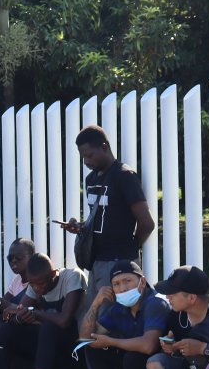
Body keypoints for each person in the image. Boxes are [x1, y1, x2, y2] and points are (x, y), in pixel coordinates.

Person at [61, 125, 155, 319]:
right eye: (83, 157)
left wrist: (131, 246)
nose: (86, 161)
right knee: (90, 319)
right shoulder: (91, 178)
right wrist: (81, 227)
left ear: (104, 147)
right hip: (96, 261)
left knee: (109, 320)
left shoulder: (124, 176)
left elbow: (147, 223)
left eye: (90, 155)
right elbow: (101, 218)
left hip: (117, 262)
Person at [0, 252, 84, 369]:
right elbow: (17, 313)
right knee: (9, 330)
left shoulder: (72, 277)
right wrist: (21, 317)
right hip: (53, 345)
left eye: (41, 284)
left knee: (49, 327)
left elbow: (64, 320)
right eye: (33, 285)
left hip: (79, 347)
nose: (38, 289)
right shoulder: (35, 284)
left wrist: (35, 314)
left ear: (53, 274)